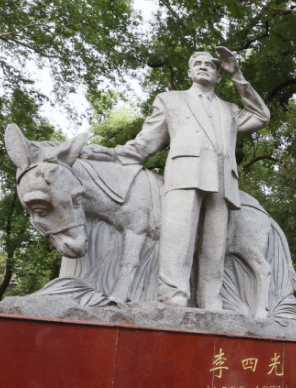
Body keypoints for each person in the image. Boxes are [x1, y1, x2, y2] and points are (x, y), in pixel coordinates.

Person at [105, 48, 270, 309]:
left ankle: (210, 303)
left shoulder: (230, 109)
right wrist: (110, 155)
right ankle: (173, 300)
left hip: (223, 181)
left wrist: (236, 74)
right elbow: (145, 144)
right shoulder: (170, 100)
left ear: (218, 76)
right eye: (197, 63)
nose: (204, 66)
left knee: (215, 251)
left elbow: (262, 116)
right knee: (177, 241)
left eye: (210, 65)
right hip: (184, 175)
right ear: (189, 72)